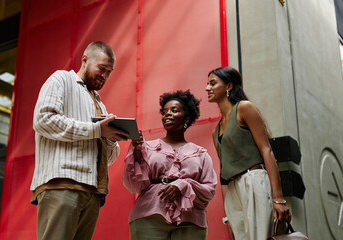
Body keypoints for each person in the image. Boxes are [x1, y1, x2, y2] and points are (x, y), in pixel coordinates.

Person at [30, 41, 129, 240]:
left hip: (93, 192)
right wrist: (96, 129)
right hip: (62, 184)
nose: (105, 76)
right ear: (85, 59)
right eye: (101, 68)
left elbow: (106, 159)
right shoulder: (61, 79)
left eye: (109, 72)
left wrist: (110, 138)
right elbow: (43, 120)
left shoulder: (99, 102)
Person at [206, 66, 291, 240]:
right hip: (232, 191)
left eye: (213, 83)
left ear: (228, 86)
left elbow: (267, 151)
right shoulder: (215, 131)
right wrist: (227, 217)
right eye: (207, 84)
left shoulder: (244, 108)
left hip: (254, 180)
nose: (207, 88)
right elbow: (223, 176)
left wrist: (279, 198)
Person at [123, 90, 217, 240]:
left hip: (191, 221)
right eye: (164, 111)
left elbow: (209, 190)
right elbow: (133, 185)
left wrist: (184, 185)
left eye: (174, 110)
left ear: (187, 118)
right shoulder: (147, 147)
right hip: (148, 216)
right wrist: (138, 152)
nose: (167, 114)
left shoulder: (200, 153)